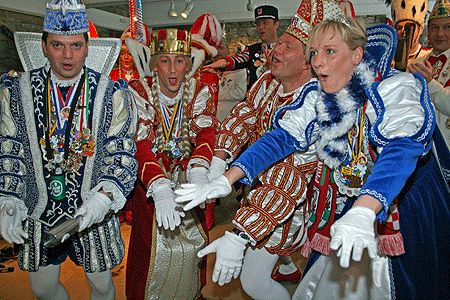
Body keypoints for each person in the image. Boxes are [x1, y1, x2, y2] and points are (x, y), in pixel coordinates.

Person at [176, 17, 450, 300]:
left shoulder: (393, 88)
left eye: (329, 51)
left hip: (400, 202)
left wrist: (364, 211)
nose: (318, 61)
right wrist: (226, 178)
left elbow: (401, 150)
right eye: (314, 52)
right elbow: (281, 138)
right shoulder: (316, 94)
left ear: (357, 55)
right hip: (352, 202)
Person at [176, 2, 345, 299]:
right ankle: (289, 265)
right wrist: (218, 162)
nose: (276, 50)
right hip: (260, 188)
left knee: (253, 281)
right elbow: (244, 115)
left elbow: (287, 180)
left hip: (289, 204)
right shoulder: (268, 81)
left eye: (288, 47)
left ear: (309, 62)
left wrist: (241, 234)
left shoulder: (314, 107)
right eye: (279, 42)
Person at [0, 1, 138, 299]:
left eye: (76, 45)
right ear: (44, 46)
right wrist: (8, 198)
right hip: (38, 208)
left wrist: (104, 198)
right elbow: (9, 149)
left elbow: (122, 154)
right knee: (42, 288)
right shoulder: (16, 91)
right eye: (58, 45)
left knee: (102, 284)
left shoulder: (110, 93)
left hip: (91, 207)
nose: (67, 55)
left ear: (88, 47)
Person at [125, 28, 219, 300]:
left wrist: (200, 167)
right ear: (155, 64)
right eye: (165, 60)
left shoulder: (199, 90)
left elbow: (205, 131)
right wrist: (159, 186)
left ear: (189, 64)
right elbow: (139, 143)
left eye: (180, 60)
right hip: (152, 186)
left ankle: (189, 294)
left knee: (193, 247)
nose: (173, 68)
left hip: (188, 180)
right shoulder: (139, 91)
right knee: (156, 250)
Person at [204, 5, 279, 89]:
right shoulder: (252, 50)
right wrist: (225, 61)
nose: (260, 27)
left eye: (265, 22)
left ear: (276, 24)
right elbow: (239, 58)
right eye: (258, 24)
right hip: (257, 100)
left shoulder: (285, 48)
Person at [409, 0, 450, 149]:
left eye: (447, 27)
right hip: (421, 149)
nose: (440, 34)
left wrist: (430, 83)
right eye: (435, 28)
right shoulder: (415, 64)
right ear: (428, 31)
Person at [390, 0, 431, 71]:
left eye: (408, 28)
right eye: (399, 28)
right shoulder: (388, 57)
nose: (403, 32)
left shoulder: (429, 56)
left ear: (420, 30)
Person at [214, 37, 247, 122]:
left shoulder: (239, 69)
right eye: (215, 48)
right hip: (210, 120)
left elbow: (240, 93)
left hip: (230, 120)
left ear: (228, 50)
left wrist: (216, 93)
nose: (218, 51)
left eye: (221, 48)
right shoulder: (207, 70)